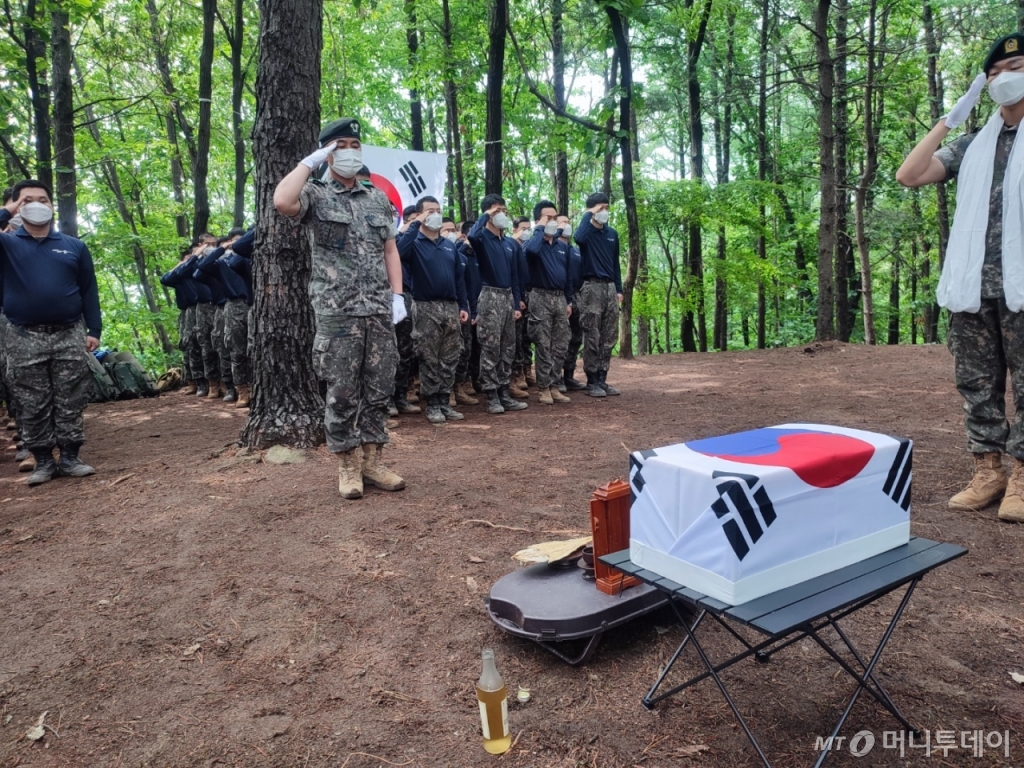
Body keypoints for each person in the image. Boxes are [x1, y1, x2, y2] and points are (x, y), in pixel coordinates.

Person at [896, 34, 1024, 523]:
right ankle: (988, 471)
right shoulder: (973, 144)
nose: (1003, 78)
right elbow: (910, 174)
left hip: (1022, 289)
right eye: (993, 73)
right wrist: (950, 118)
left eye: (1014, 66)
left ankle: (1022, 476)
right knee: (977, 384)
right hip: (973, 287)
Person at [274, 116, 406, 500]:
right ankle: (348, 465)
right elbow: (283, 201)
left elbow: (390, 249)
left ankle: (372, 460)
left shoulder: (377, 197)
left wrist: (397, 295)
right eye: (340, 145)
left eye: (354, 145)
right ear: (328, 152)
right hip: (339, 312)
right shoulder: (316, 194)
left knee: (380, 387)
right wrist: (308, 162)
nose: (349, 151)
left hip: (378, 309)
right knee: (343, 391)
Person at [0, 179, 101, 485]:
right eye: (27, 200)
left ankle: (70, 457)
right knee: (31, 401)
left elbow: (88, 290)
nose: (36, 204)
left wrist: (93, 328)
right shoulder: (8, 244)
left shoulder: (73, 246)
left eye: (43, 200)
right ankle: (43, 461)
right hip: (22, 335)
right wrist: (6, 211)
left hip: (69, 333)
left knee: (70, 398)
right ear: (17, 205)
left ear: (53, 206)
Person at [398, 197, 470, 423]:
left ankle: (444, 400)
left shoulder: (448, 244)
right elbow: (399, 252)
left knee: (450, 356)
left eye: (438, 210)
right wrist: (415, 224)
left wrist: (463, 305)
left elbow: (459, 278)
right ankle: (432, 404)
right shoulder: (415, 242)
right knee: (429, 357)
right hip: (425, 306)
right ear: (420, 215)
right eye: (431, 211)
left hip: (450, 306)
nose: (436, 214)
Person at [468, 196, 527, 414]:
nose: (501, 214)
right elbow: (472, 235)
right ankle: (491, 395)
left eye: (503, 210)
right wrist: (486, 214)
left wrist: (516, 304)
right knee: (490, 347)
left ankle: (504, 391)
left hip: (507, 297)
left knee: (508, 347)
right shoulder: (482, 238)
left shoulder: (510, 243)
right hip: (490, 296)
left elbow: (515, 277)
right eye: (497, 211)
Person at [574, 193, 623, 398]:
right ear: (592, 210)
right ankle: (591, 380)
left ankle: (603, 379)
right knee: (592, 334)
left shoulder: (612, 233)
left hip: (610, 287)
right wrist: (588, 214)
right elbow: (579, 238)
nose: (605, 212)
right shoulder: (587, 233)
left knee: (609, 335)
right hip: (591, 286)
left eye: (606, 208)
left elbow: (615, 264)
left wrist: (619, 290)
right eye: (600, 208)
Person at [525, 201, 573, 405]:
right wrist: (539, 230)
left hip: (560, 298)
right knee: (543, 345)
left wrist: (569, 301)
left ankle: (554, 384)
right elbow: (531, 252)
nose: (553, 222)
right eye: (548, 218)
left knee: (560, 345)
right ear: (539, 221)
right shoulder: (533, 243)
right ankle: (543, 388)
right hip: (539, 297)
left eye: (555, 218)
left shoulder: (563, 247)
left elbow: (568, 276)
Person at [392, 205, 421, 417]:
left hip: (406, 298)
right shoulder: (395, 238)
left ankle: (400, 397)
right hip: (383, 298)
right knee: (387, 354)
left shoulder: (414, 240)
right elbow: (398, 251)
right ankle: (386, 401)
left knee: (406, 351)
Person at [558, 213, 586, 392]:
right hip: (558, 297)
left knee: (576, 338)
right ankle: (555, 377)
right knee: (559, 339)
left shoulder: (575, 250)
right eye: (563, 223)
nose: (567, 225)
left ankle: (568, 375)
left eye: (568, 222)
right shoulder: (551, 248)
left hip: (578, 295)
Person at [510, 216, 533, 397]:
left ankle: (527, 370)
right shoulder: (510, 246)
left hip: (527, 294)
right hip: (511, 297)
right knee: (515, 339)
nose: (526, 231)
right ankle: (516, 376)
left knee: (527, 336)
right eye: (523, 228)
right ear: (515, 229)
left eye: (528, 228)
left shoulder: (527, 247)